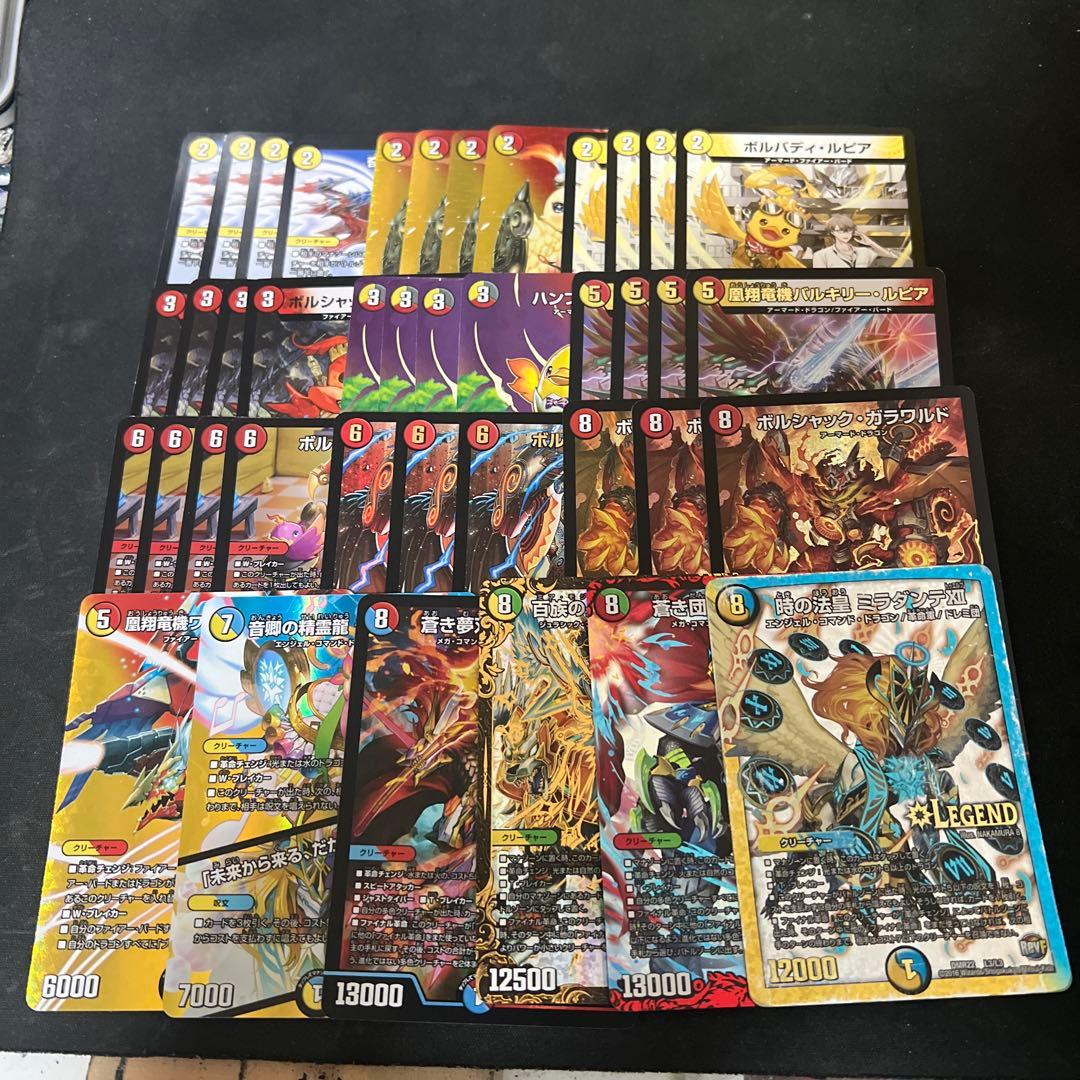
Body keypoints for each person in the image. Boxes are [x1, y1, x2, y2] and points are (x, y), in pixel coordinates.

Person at [812, 213, 893, 268]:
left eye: (848, 230)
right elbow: (819, 281)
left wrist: (871, 243)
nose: (845, 234)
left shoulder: (864, 252)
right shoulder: (821, 255)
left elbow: (891, 260)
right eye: (840, 231)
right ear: (832, 232)